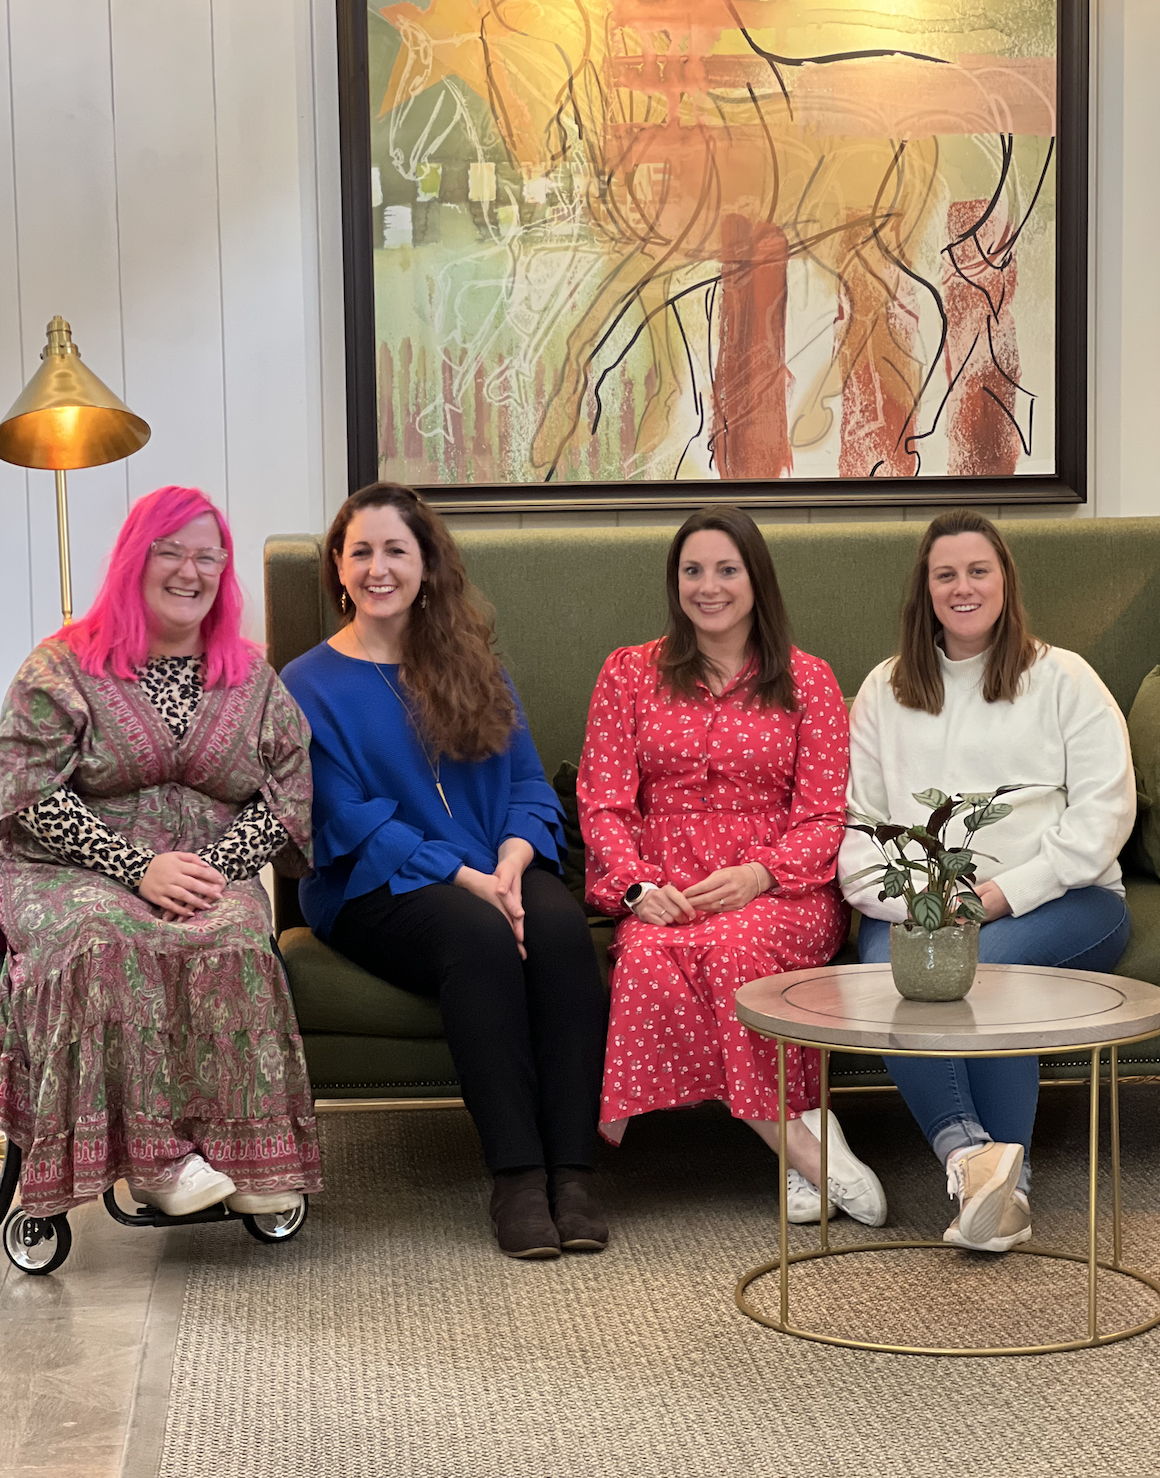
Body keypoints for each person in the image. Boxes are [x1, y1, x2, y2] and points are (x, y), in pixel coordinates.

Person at [281, 483, 608, 1260]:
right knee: (479, 940)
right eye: (361, 550)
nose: (378, 566)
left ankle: (574, 1172)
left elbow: (528, 783)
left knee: (563, 933)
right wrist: (470, 883)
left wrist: (514, 858)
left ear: (427, 564)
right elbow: (342, 818)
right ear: (337, 567)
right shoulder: (305, 684)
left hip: (493, 862)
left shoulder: (475, 666)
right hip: (372, 883)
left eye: (396, 549)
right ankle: (518, 1177)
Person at [0, 485, 320, 1222]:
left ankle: (248, 1161)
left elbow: (288, 795)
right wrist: (137, 867)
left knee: (236, 936)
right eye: (171, 551)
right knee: (106, 938)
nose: (191, 570)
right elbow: (27, 790)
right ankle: (157, 1164)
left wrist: (217, 867)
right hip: (67, 871)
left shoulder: (251, 675)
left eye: (209, 556)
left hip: (209, 868)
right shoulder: (62, 666)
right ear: (133, 562)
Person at [577, 505, 886, 1225]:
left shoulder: (808, 681)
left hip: (782, 891)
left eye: (726, 569)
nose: (707, 586)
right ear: (674, 582)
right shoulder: (628, 673)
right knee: (650, 959)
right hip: (668, 890)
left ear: (756, 579)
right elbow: (603, 803)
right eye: (692, 570)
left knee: (734, 948)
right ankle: (808, 1148)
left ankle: (802, 1141)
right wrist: (637, 887)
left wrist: (760, 875)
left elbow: (824, 815)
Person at [840, 508, 1134, 1252]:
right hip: (917, 907)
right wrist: (928, 906)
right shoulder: (884, 689)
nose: (963, 587)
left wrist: (994, 898)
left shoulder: (1063, 677)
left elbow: (1105, 814)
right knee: (898, 979)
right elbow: (857, 824)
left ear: (1004, 581)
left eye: (979, 571)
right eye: (947, 574)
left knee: (988, 970)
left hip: (1067, 901)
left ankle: (998, 1184)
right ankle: (980, 1168)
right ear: (925, 590)